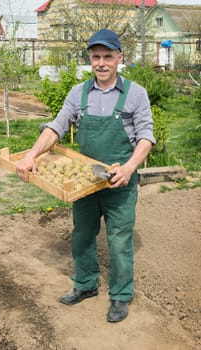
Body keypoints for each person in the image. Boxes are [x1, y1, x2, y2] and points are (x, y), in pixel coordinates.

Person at [16, 29, 156, 323]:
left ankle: (120, 294)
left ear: (119, 58)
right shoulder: (78, 93)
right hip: (84, 184)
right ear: (90, 59)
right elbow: (56, 128)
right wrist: (32, 155)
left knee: (119, 241)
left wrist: (129, 167)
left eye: (108, 56)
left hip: (119, 182)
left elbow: (146, 138)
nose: (102, 62)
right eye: (96, 57)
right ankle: (85, 284)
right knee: (81, 235)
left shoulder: (136, 94)